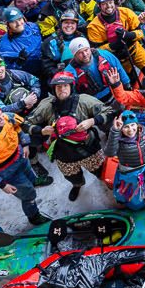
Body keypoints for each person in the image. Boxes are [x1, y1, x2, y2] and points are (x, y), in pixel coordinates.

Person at [24, 71, 111, 201]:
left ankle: (104, 179)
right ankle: (78, 184)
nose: (62, 89)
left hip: (89, 148)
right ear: (53, 89)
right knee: (72, 176)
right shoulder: (47, 105)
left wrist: (92, 121)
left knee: (99, 170)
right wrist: (41, 131)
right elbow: (25, 124)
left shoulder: (84, 100)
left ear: (71, 87)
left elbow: (109, 112)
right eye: (58, 87)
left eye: (65, 86)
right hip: (64, 154)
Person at [0, 102, 49, 225]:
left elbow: (19, 128)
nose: (2, 118)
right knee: (27, 194)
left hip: (21, 155)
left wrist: (25, 144)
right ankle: (33, 216)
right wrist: (2, 185)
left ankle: (33, 181)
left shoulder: (6, 117)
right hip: (7, 172)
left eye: (0, 114)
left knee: (28, 172)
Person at [86, 0, 145, 75]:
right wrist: (115, 45)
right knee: (129, 82)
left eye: (110, 2)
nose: (108, 6)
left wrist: (130, 35)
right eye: (104, 4)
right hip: (115, 59)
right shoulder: (94, 26)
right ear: (99, 6)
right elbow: (96, 51)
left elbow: (142, 32)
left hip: (134, 49)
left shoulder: (126, 12)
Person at [0, 8, 44, 75]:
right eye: (13, 21)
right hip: (30, 74)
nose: (19, 23)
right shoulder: (5, 45)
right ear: (7, 24)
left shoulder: (32, 27)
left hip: (46, 64)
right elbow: (7, 70)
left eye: (19, 19)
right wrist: (19, 62)